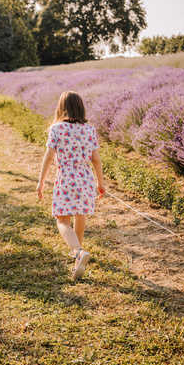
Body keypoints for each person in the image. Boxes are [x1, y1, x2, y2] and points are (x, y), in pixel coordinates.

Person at [36, 91, 105, 280]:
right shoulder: (89, 130)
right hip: (86, 178)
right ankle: (78, 257)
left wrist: (41, 182)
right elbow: (96, 159)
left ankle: (78, 251)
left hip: (66, 177)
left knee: (62, 220)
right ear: (81, 108)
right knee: (80, 214)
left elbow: (49, 156)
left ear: (61, 108)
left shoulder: (56, 129)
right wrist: (100, 183)